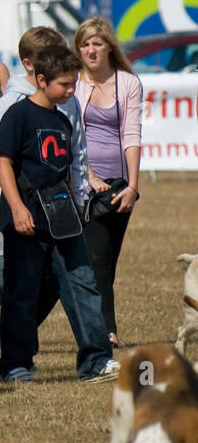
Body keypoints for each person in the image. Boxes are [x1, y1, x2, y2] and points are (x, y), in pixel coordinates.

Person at [0, 46, 118, 384]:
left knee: (83, 283)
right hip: (26, 214)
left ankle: (96, 360)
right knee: (22, 290)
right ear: (42, 80)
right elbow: (3, 162)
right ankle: (13, 364)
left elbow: (69, 166)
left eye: (74, 83)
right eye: (64, 85)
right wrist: (15, 208)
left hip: (63, 215)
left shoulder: (61, 119)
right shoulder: (18, 115)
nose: (71, 91)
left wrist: (77, 204)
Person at [75, 17, 142, 349]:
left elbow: (132, 135)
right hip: (85, 185)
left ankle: (16, 322)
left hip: (118, 186)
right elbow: (72, 136)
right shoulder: (74, 82)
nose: (91, 50)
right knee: (97, 258)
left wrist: (132, 186)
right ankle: (106, 330)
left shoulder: (128, 83)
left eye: (97, 43)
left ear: (109, 47)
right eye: (85, 44)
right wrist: (88, 176)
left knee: (107, 260)